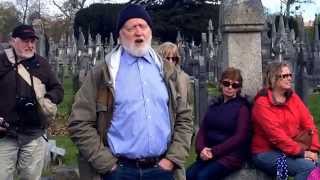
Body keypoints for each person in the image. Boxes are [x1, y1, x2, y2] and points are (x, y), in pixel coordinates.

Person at [68, 4, 193, 180]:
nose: (138, 32)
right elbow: (79, 122)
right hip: (120, 171)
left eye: (143, 26)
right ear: (120, 35)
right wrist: (106, 164)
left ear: (150, 31)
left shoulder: (169, 72)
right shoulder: (103, 73)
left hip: (163, 170)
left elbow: (184, 117)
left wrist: (173, 159)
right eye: (131, 27)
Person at [0, 24, 64, 180]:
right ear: (13, 41)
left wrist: (48, 99)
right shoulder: (1, 62)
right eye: (24, 41)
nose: (30, 45)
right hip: (5, 135)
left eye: (32, 41)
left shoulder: (42, 64)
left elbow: (58, 89)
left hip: (34, 134)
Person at [251, 62, 320, 180]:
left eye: (290, 75)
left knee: (316, 163)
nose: (289, 78)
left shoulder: (293, 98)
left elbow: (309, 125)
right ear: (273, 78)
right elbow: (277, 136)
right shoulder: (262, 103)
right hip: (266, 153)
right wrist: (303, 154)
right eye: (284, 76)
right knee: (307, 167)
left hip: (292, 148)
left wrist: (313, 150)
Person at [186, 67, 251, 180]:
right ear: (221, 84)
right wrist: (201, 149)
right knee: (189, 174)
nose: (230, 87)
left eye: (234, 85)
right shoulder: (214, 105)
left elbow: (239, 137)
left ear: (238, 88)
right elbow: (203, 130)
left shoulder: (242, 108)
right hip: (209, 153)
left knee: (203, 177)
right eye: (226, 83)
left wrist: (214, 152)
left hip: (230, 155)